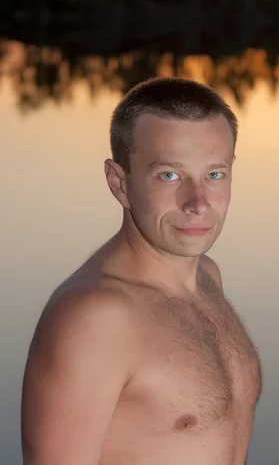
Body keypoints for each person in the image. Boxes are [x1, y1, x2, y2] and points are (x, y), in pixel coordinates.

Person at [21, 77, 262, 465]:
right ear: (119, 183)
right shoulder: (95, 317)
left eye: (214, 175)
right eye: (169, 175)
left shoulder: (207, 278)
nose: (198, 203)